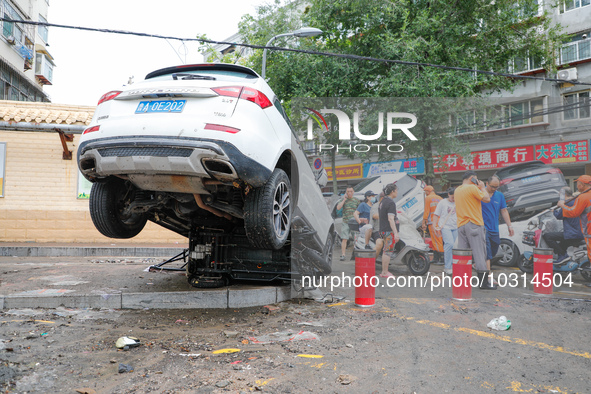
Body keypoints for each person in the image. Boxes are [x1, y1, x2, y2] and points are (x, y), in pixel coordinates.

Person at [454, 170, 494, 290]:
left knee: (464, 255)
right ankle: (484, 283)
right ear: (472, 178)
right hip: (474, 224)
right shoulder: (472, 188)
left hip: (461, 225)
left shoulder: (457, 190)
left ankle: (463, 281)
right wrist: (482, 187)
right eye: (476, 179)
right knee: (480, 254)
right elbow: (487, 199)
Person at [481, 176, 514, 279]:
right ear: (487, 183)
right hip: (482, 227)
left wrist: (509, 225)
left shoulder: (499, 195)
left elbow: (504, 211)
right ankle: (488, 275)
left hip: (494, 228)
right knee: (487, 251)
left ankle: (478, 264)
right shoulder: (480, 194)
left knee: (495, 249)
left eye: (496, 187)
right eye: (492, 187)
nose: (494, 189)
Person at [557, 175, 591, 273]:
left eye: (577, 183)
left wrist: (562, 205)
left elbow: (573, 212)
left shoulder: (583, 197)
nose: (577, 185)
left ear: (582, 185)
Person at [546, 187, 584, 262]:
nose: (559, 194)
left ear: (564, 194)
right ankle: (563, 258)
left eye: (560, 193)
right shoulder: (576, 201)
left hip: (572, 234)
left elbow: (559, 216)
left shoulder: (566, 203)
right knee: (561, 245)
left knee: (547, 236)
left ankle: (563, 256)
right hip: (581, 233)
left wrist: (553, 211)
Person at [433, 187, 457, 276]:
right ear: (448, 195)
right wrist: (435, 226)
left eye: (455, 197)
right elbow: (436, 215)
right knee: (449, 244)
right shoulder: (442, 202)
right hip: (445, 226)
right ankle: (448, 267)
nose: (454, 199)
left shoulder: (458, 202)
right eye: (452, 197)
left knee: (455, 246)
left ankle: (454, 265)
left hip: (456, 226)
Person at [378, 183, 400, 278]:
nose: (397, 192)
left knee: (385, 251)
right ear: (392, 192)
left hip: (382, 229)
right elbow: (390, 219)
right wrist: (395, 233)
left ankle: (384, 271)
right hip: (388, 230)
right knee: (387, 251)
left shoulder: (383, 202)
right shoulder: (391, 203)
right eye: (396, 190)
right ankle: (385, 272)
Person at [336, 186, 360, 261]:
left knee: (356, 239)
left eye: (351, 191)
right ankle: (343, 255)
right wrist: (344, 199)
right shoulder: (343, 200)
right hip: (345, 222)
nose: (349, 193)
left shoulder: (356, 200)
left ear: (353, 192)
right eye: (348, 191)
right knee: (344, 239)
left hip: (354, 223)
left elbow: (359, 211)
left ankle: (355, 254)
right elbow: (338, 208)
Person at [422, 186, 444, 265]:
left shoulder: (428, 198)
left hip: (433, 223)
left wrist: (423, 222)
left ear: (427, 191)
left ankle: (441, 259)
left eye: (425, 192)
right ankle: (436, 258)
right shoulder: (440, 198)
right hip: (440, 222)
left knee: (436, 241)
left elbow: (426, 211)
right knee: (437, 240)